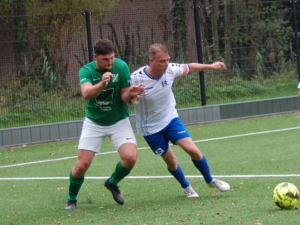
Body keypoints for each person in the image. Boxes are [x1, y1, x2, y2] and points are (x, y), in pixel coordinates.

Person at [130, 43, 230, 198]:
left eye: (167, 60)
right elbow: (128, 98)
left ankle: (210, 180)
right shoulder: (136, 78)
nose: (165, 64)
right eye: (161, 61)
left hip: (170, 119)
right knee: (171, 160)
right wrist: (134, 98)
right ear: (151, 61)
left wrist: (211, 66)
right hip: (150, 128)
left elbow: (190, 67)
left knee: (193, 150)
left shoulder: (170, 70)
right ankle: (186, 187)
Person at [64, 38, 145, 210]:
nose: (110, 62)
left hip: (118, 120)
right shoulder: (86, 71)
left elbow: (123, 96)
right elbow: (86, 94)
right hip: (94, 122)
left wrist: (132, 94)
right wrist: (102, 83)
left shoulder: (121, 67)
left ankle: (112, 182)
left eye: (112, 58)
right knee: (82, 165)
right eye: (105, 59)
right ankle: (72, 199)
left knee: (130, 158)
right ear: (95, 57)